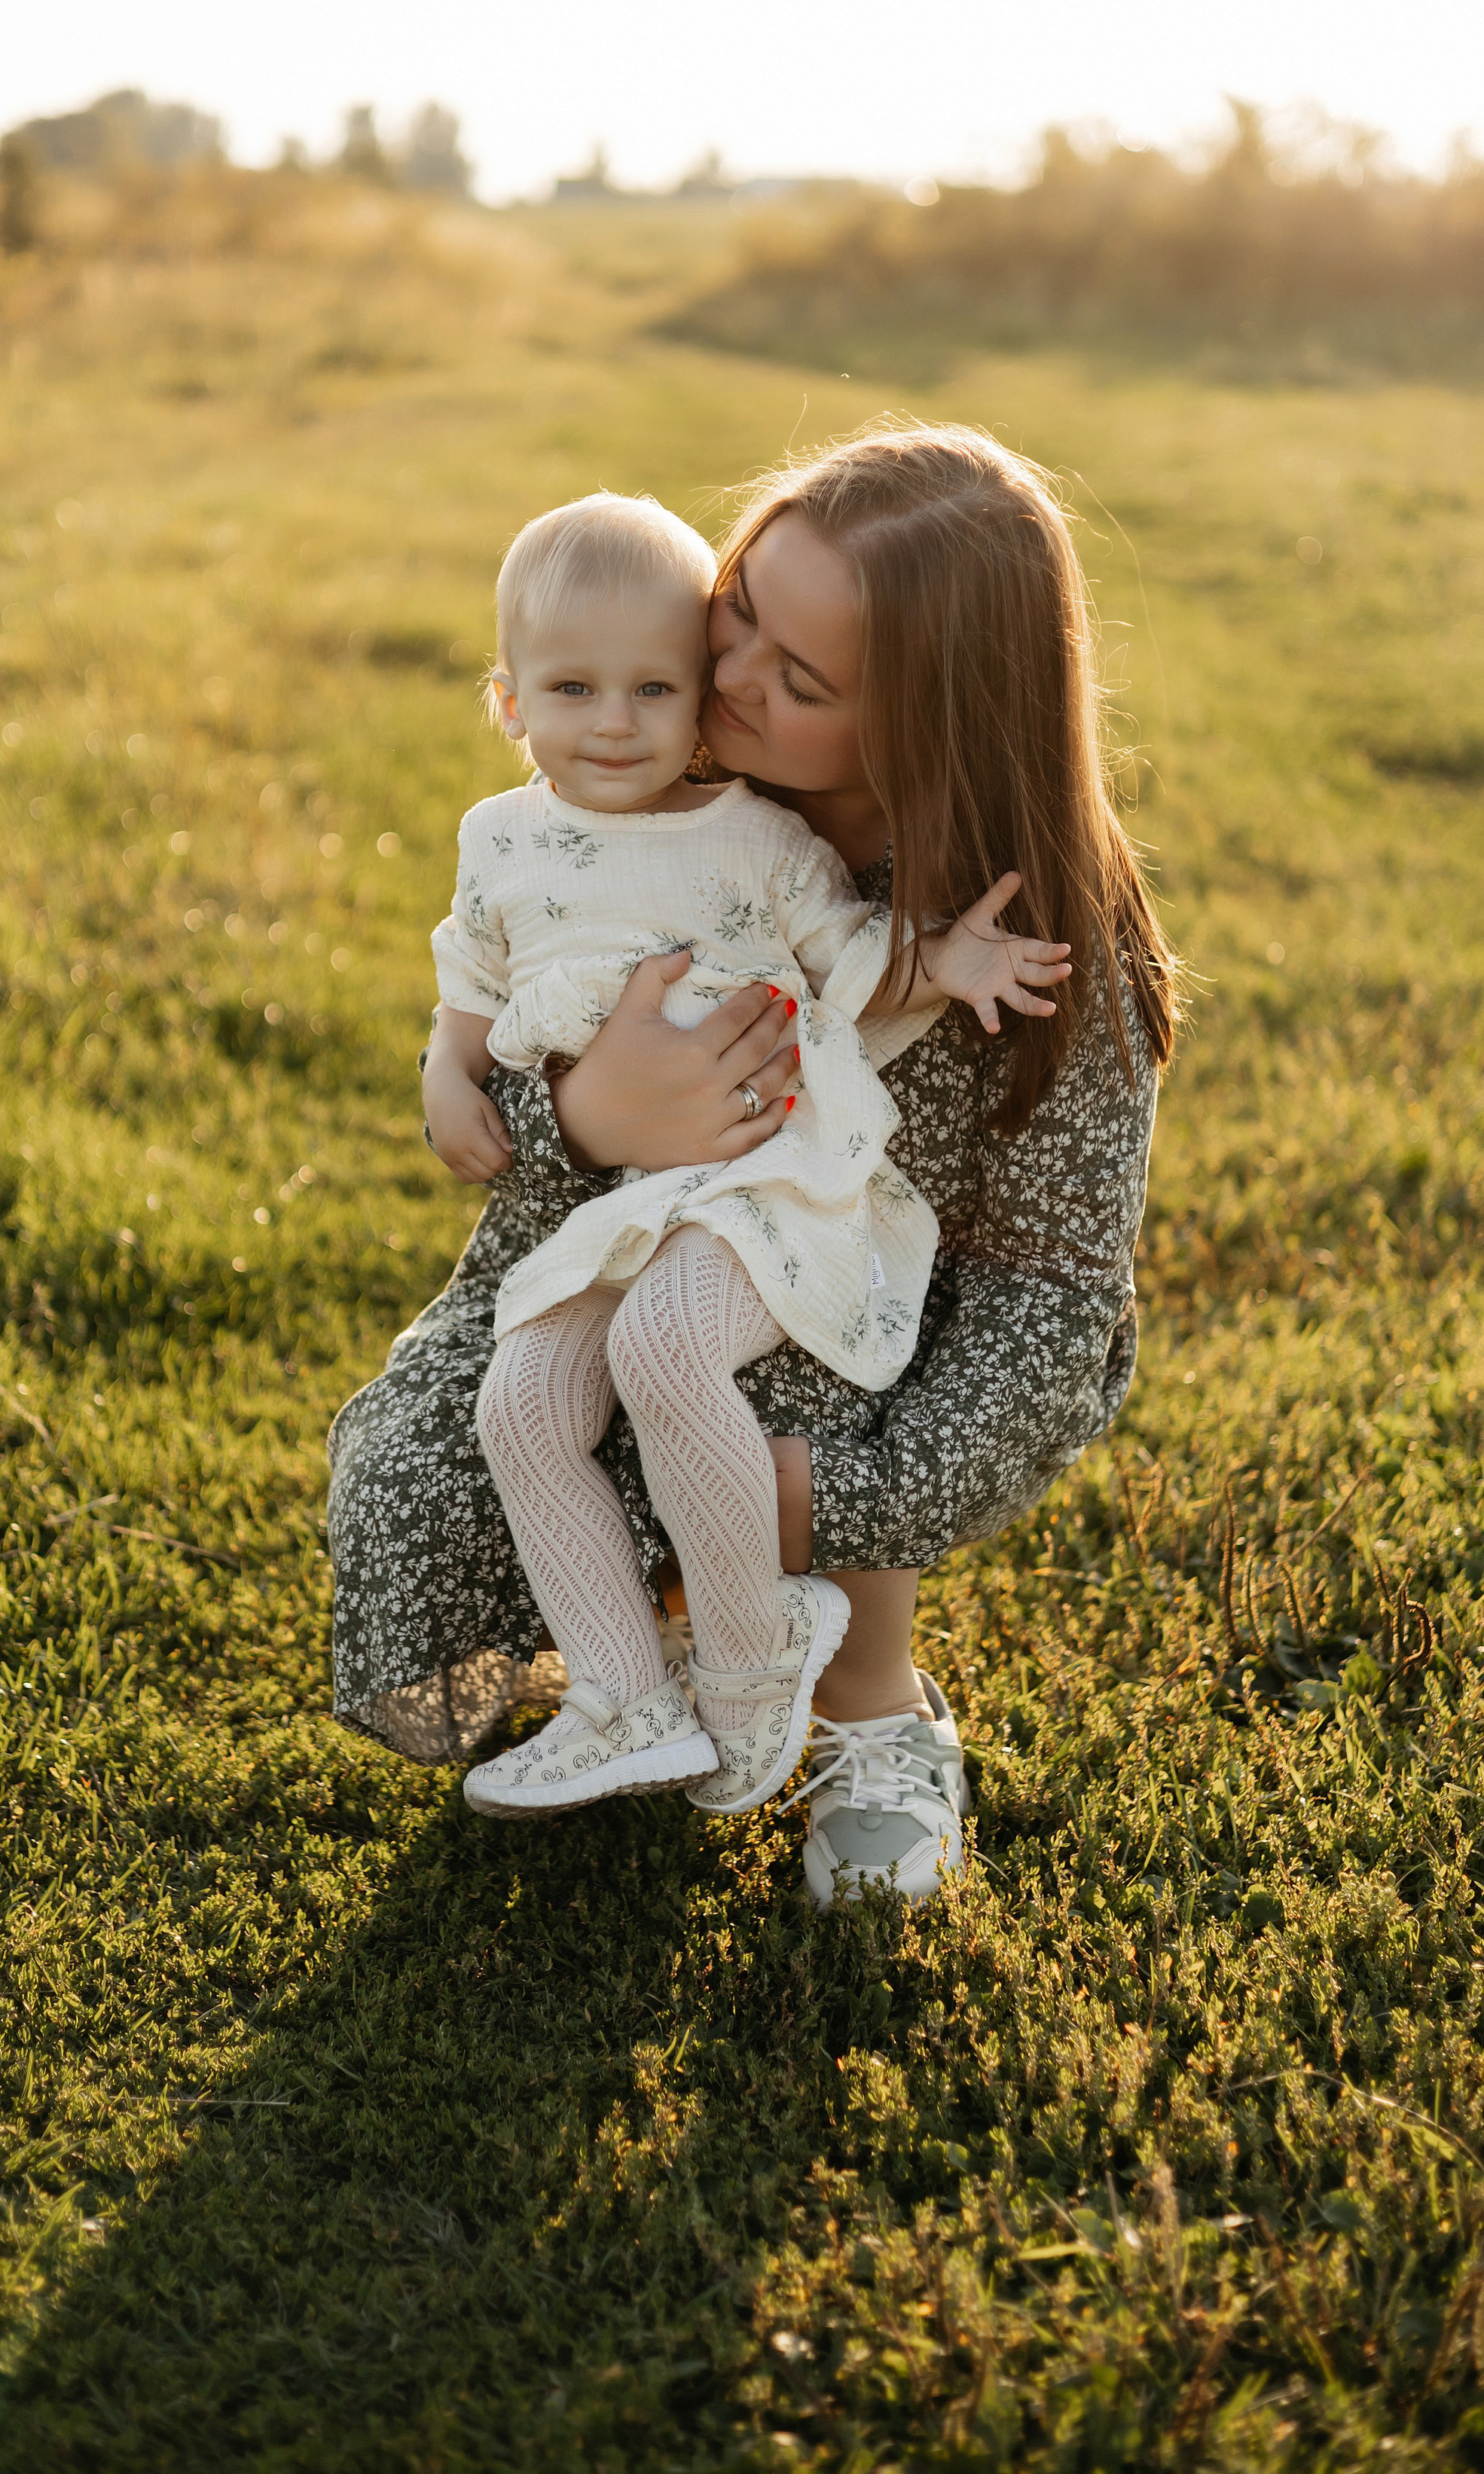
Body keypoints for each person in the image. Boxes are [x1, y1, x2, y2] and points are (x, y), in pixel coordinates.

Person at [328, 423, 1178, 1904]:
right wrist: (582, 1116)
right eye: (737, 616)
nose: (720, 681)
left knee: (742, 1367)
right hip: (624, 1243)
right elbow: (513, 1066)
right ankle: (626, 1676)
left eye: (798, 679)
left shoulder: (1048, 954)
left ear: (928, 729)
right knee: (428, 1460)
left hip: (848, 1335)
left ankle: (865, 1699)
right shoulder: (660, 796)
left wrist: (816, 1496)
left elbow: (1043, 1324)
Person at [417, 494, 1067, 1825]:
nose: (619, 721)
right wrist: (451, 1075)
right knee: (518, 1406)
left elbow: (848, 955)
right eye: (575, 690)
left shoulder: (751, 836)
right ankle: (622, 1699)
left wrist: (948, 958)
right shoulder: (500, 837)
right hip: (623, 1201)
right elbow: (471, 988)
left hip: (769, 1178)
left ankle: (759, 1657)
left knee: (665, 1347)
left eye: (653, 686)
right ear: (508, 702)